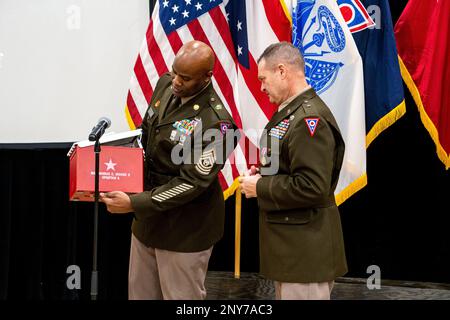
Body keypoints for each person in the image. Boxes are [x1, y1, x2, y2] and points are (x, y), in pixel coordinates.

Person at [100, 40, 239, 300]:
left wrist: (134, 202)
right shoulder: (165, 84)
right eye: (174, 72)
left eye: (185, 78)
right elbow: (147, 138)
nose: (176, 81)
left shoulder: (218, 125)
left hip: (185, 229)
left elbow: (191, 183)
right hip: (148, 221)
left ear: (207, 77)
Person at [238, 42, 347, 300]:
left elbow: (312, 186)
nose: (261, 87)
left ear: (282, 71)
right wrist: (266, 173)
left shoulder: (310, 120)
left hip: (305, 254)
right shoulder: (292, 113)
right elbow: (291, 165)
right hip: (293, 250)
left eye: (264, 79)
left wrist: (260, 187)